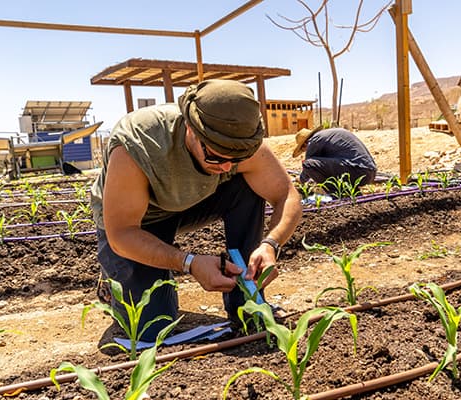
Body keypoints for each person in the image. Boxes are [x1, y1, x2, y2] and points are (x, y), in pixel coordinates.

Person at [90, 79, 302, 340]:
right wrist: (188, 263)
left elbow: (287, 195)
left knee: (247, 187)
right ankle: (112, 282)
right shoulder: (138, 144)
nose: (226, 167)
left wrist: (271, 244)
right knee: (152, 328)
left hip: (191, 201)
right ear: (190, 129)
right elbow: (122, 233)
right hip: (138, 221)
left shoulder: (242, 143)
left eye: (234, 160)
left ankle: (245, 300)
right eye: (215, 156)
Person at [292, 126, 377, 187]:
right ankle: (349, 190)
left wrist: (300, 180)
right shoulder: (330, 134)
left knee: (308, 164)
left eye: (304, 150)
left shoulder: (314, 140)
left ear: (305, 144)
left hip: (357, 171)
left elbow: (308, 168)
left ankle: (335, 192)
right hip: (370, 172)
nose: (306, 151)